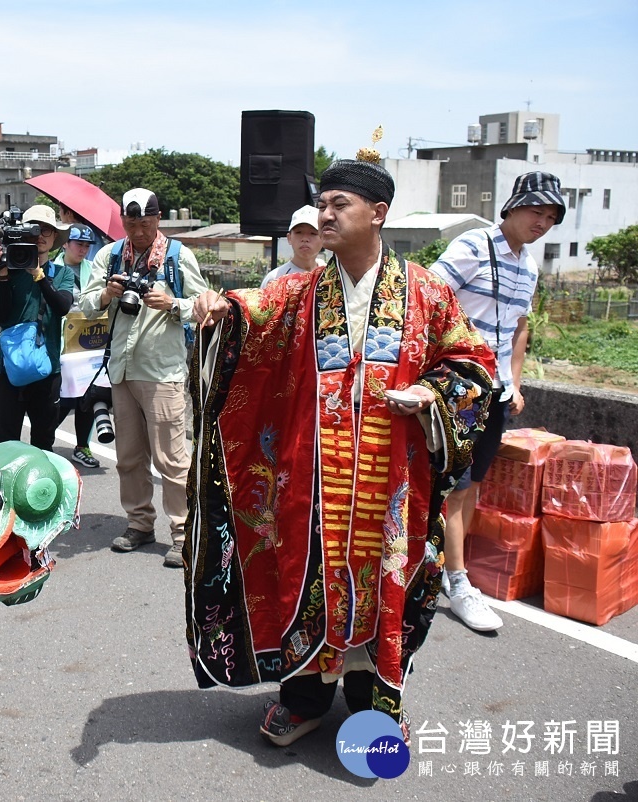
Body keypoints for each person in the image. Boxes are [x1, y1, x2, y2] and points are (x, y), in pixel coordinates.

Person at [187, 158, 495, 747]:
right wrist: (220, 309)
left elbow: (472, 364)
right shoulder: (301, 292)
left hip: (390, 480)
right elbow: (253, 315)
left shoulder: (426, 291)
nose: (324, 215)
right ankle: (303, 697)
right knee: (306, 580)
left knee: (386, 586)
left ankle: (373, 701)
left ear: (378, 215)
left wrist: (431, 393)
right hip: (312, 480)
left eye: (338, 205)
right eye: (321, 204)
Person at [429, 171, 566, 632]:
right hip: (461, 387)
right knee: (458, 485)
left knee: (475, 485)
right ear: (512, 207)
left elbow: (520, 328)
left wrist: (516, 382)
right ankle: (457, 579)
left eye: (551, 217)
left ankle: (449, 567)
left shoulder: (528, 265)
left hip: (497, 392)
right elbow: (428, 298)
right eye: (536, 212)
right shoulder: (473, 246)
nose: (542, 223)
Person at [79, 188, 207, 568]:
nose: (138, 229)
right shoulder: (110, 255)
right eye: (131, 222)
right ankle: (139, 524)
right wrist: (107, 294)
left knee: (172, 459)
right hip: (121, 370)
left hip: (162, 374)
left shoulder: (177, 257)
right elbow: (84, 304)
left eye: (145, 222)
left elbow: (205, 307)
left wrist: (174, 304)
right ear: (122, 220)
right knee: (129, 457)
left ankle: (183, 534)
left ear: (158, 218)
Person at [0, 205, 75, 451]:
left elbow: (62, 307)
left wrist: (38, 275)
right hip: (10, 368)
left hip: (48, 371)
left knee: (44, 442)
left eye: (47, 230)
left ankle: (41, 490)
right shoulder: (5, 271)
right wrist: (3, 276)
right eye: (34, 229)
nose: (40, 235)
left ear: (54, 238)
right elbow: (1, 315)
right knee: (6, 442)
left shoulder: (62, 274)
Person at [55, 223, 105, 468]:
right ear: (65, 243)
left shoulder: (94, 270)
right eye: (79, 244)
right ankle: (42, 441)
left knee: (88, 395)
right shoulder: (52, 268)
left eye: (87, 245)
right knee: (63, 397)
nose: (84, 249)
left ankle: (82, 446)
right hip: (62, 342)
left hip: (89, 342)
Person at [261, 205, 322, 288]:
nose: (305, 239)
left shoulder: (330, 274)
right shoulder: (275, 278)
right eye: (299, 232)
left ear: (323, 238)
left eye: (313, 233)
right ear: (289, 238)